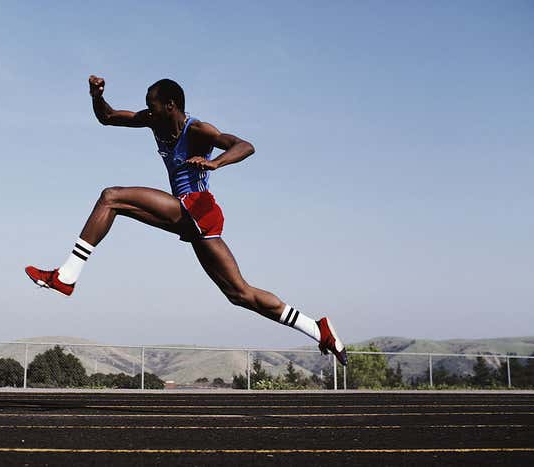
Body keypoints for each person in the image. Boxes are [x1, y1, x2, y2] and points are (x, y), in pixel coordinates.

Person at [25, 75, 347, 365]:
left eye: (152, 105)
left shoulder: (197, 129)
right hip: (191, 217)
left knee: (112, 196)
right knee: (239, 294)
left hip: (199, 207)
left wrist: (217, 162)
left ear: (171, 105)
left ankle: (66, 275)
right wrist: (97, 96)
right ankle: (317, 329)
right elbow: (108, 118)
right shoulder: (154, 122)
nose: (147, 111)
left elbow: (245, 145)